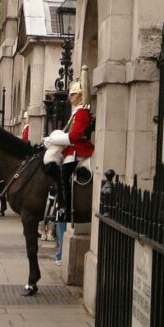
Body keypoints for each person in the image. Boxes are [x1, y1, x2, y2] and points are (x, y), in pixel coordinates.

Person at [43, 76, 94, 221]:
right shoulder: (76, 112)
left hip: (79, 150)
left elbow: (75, 136)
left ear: (80, 96)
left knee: (63, 173)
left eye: (73, 94)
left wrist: (53, 139)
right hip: (72, 149)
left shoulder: (82, 113)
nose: (70, 97)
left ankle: (65, 208)